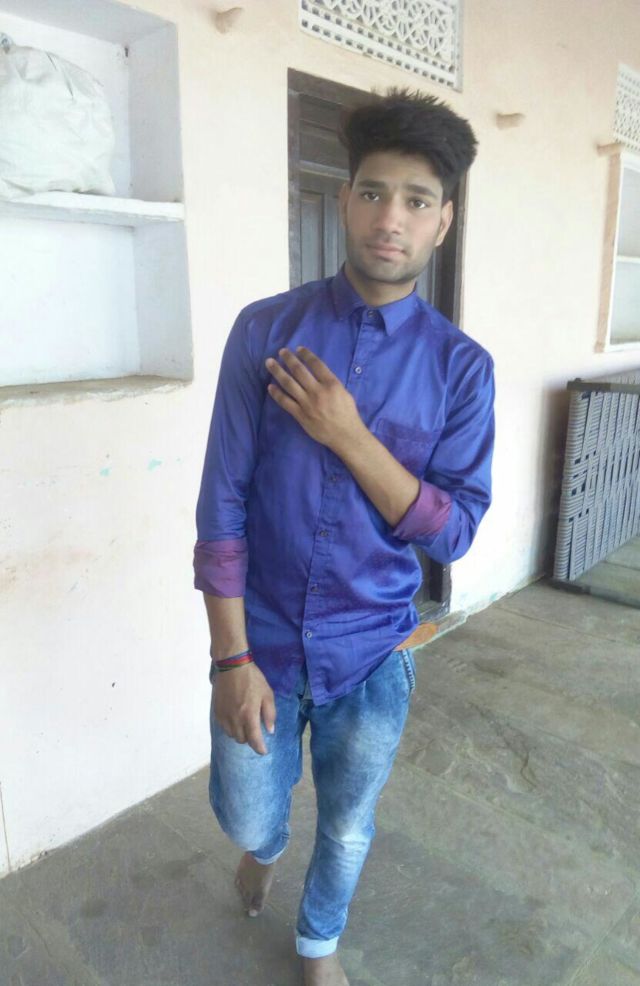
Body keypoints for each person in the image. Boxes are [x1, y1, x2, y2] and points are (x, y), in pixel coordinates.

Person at [193, 88, 495, 986]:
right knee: (248, 814)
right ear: (343, 199)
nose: (389, 218)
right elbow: (221, 507)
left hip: (371, 654)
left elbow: (456, 532)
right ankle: (262, 849)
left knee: (351, 824)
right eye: (372, 192)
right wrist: (230, 659)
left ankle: (318, 943)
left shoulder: (461, 371)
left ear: (443, 220)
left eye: (415, 200)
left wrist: (350, 437)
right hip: (261, 644)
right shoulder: (266, 332)